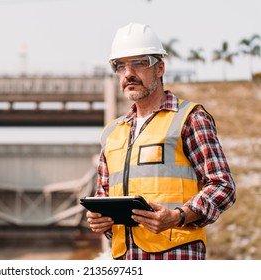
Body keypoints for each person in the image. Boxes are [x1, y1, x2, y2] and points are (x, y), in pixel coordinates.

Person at [86, 22, 236, 260]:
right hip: (124, 260)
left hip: (175, 258)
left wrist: (179, 216)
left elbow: (222, 186)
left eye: (139, 63)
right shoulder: (112, 133)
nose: (128, 73)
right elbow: (103, 195)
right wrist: (99, 219)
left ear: (160, 68)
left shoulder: (190, 119)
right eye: (120, 65)